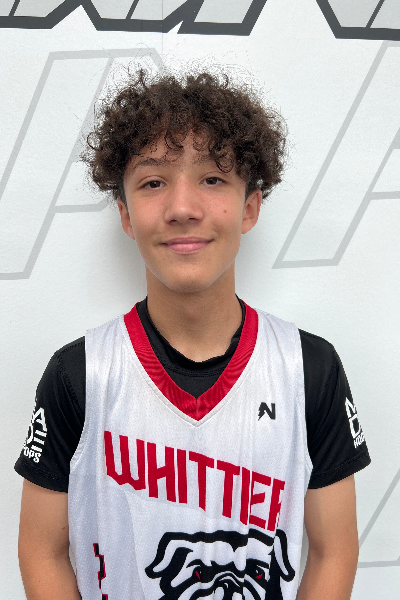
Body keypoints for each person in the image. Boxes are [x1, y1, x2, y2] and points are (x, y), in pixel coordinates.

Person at [16, 69, 370, 600]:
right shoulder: (79, 374)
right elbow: (40, 550)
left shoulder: (309, 368)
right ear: (126, 215)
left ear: (250, 207)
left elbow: (333, 550)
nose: (182, 208)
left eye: (212, 179)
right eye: (153, 183)